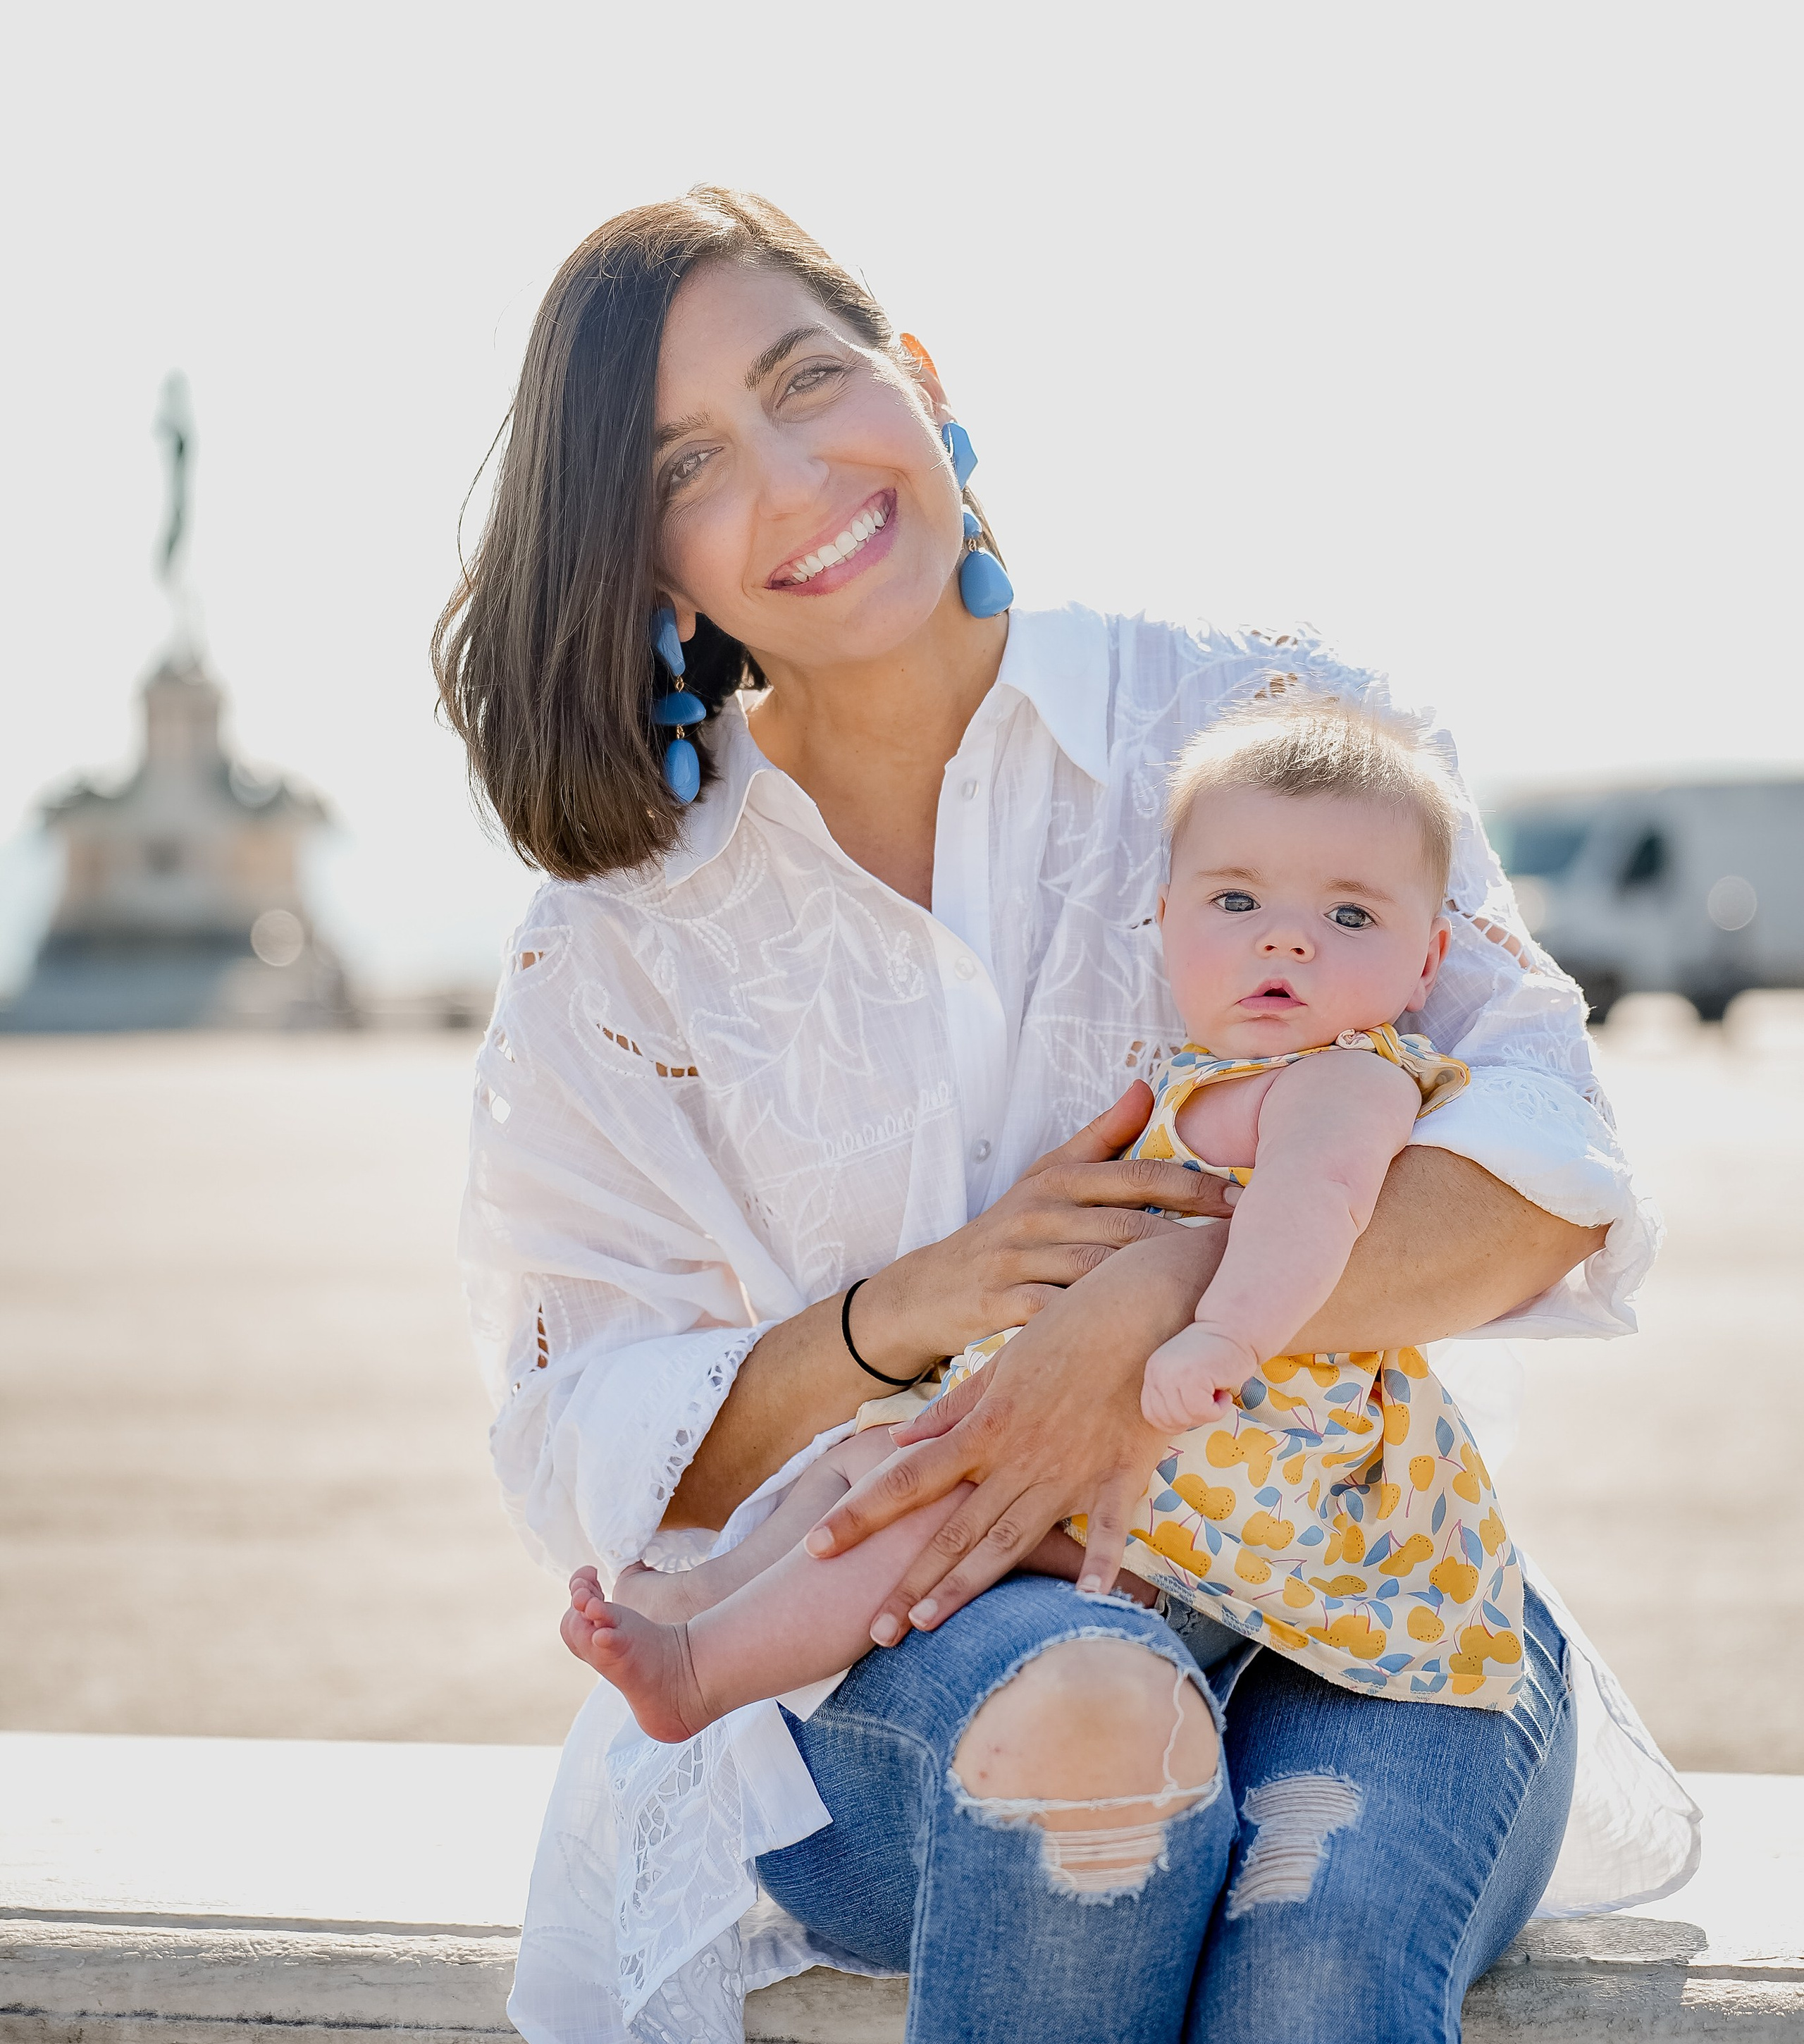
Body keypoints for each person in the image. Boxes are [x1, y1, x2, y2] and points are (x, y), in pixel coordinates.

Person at [438, 187, 1691, 2044]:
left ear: (921, 385)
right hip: (917, 1674)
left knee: (1316, 1973)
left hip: (1365, 1608)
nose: (789, 480)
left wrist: (1148, 1303)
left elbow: (1542, 1169)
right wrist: (911, 1316)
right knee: (1089, 1719)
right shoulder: (622, 949)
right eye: (684, 469)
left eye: (807, 382)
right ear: (649, 568)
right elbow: (581, 1444)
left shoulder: (1257, 723)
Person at [562, 698, 1528, 1743]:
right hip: (1157, 1441)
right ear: (1166, 920)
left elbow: (1320, 1207)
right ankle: (705, 1595)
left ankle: (701, 1676)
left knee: (922, 1504)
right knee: (861, 1462)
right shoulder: (1214, 1076)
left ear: (1426, 963)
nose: (1286, 938)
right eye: (1238, 901)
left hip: (1232, 1460)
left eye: (1350, 917)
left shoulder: (1347, 1078)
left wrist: (1226, 1333)